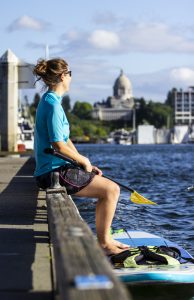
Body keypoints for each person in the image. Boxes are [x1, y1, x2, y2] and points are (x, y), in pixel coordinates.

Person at [33, 58, 129, 255]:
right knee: (111, 190)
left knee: (107, 187)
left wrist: (85, 162)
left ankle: (106, 239)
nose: (71, 78)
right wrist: (82, 161)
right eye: (70, 74)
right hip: (52, 172)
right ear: (62, 76)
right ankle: (104, 243)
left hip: (55, 169)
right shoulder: (52, 105)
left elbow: (66, 141)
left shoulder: (51, 101)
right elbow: (57, 145)